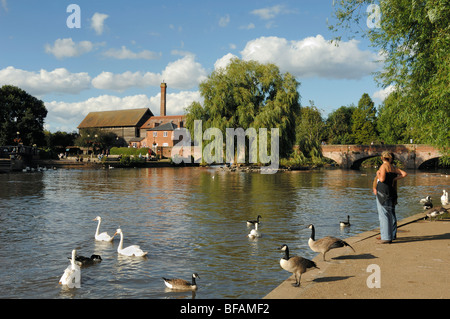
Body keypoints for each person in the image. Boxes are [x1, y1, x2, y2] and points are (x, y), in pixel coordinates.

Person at [373, 151, 407, 243]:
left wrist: (378, 174)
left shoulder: (383, 166)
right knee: (389, 215)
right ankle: (390, 235)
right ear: (390, 158)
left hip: (383, 192)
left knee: (383, 215)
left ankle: (386, 238)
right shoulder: (393, 167)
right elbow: (404, 174)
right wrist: (394, 178)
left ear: (382, 158)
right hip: (391, 191)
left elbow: (382, 179)